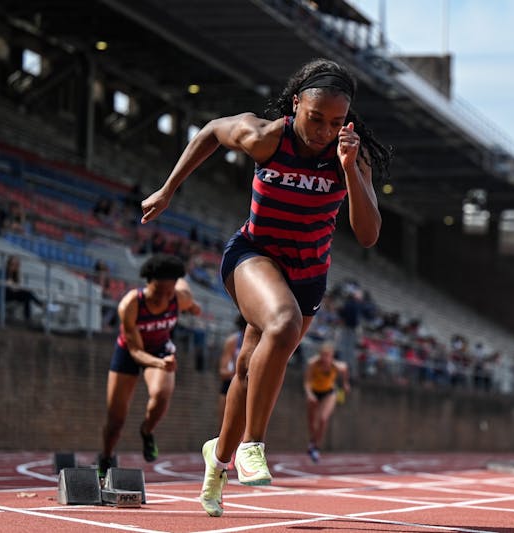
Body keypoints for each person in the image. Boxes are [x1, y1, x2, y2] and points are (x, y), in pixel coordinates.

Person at [139, 57, 391, 517]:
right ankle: (253, 444)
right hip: (253, 255)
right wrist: (169, 189)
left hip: (308, 273)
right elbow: (214, 129)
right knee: (282, 322)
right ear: (296, 103)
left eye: (335, 123)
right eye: (315, 118)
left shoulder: (350, 155)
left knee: (247, 368)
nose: (322, 131)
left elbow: (369, 233)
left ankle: (217, 463)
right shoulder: (266, 137)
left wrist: (352, 169)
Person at [98, 254, 201, 477]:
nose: (162, 299)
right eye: (157, 294)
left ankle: (146, 431)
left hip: (161, 347)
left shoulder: (179, 297)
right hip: (130, 352)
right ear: (148, 285)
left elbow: (189, 299)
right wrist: (160, 363)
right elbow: (136, 352)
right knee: (115, 420)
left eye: (168, 293)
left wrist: (193, 307)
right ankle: (106, 456)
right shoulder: (131, 305)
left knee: (162, 394)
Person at [303, 341, 350, 463]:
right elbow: (307, 382)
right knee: (312, 422)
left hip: (329, 392)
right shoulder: (313, 364)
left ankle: (316, 447)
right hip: (314, 392)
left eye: (328, 356)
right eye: (323, 355)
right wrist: (310, 394)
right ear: (320, 355)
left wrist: (345, 384)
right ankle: (312, 442)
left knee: (323, 419)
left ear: (332, 356)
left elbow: (344, 368)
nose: (326, 359)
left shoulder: (335, 366)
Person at [218, 314, 247, 429]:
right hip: (230, 385)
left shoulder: (261, 342)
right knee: (225, 426)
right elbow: (222, 372)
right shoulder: (233, 342)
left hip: (249, 386)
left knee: (245, 428)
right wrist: (238, 370)